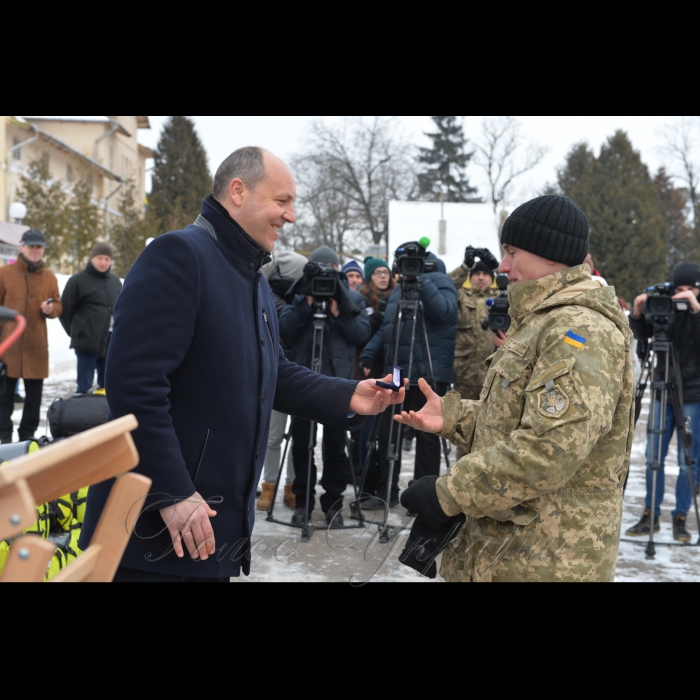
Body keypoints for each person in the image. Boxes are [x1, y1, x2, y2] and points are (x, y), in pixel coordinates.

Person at [79, 147, 405, 583]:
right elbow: (133, 385)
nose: (291, 216)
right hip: (150, 535)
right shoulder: (180, 255)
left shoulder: (249, 274)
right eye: (282, 200)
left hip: (207, 531)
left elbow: (273, 371)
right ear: (238, 191)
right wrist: (172, 490)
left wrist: (348, 394)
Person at [396, 195, 635, 582]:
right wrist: (456, 417)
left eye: (512, 252)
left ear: (551, 254)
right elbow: (520, 420)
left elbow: (549, 451)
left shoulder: (580, 331)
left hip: (548, 558)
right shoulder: (542, 320)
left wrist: (449, 494)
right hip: (510, 550)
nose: (503, 266)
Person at [360, 241, 458, 510]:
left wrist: (422, 281)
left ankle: (422, 496)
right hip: (398, 371)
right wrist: (369, 354)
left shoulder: (440, 281)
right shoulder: (400, 288)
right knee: (387, 432)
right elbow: (387, 328)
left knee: (427, 437)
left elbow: (445, 313)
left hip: (429, 373)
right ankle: (385, 491)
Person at [280, 246, 371, 527]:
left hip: (339, 384)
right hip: (304, 383)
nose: (325, 277)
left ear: (338, 271)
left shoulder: (352, 298)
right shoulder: (300, 296)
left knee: (335, 448)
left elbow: (362, 334)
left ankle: (333, 504)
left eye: (330, 270)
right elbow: (285, 330)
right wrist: (307, 303)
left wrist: (337, 311)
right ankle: (303, 502)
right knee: (301, 445)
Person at [625, 262, 700, 543]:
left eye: (689, 289)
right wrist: (638, 310)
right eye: (678, 289)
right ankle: (650, 515)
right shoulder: (663, 303)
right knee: (653, 458)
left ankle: (680, 518)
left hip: (693, 395)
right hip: (661, 390)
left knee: (687, 461)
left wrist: (694, 310)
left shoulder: (697, 308)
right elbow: (641, 335)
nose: (682, 294)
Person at [256, 249, 308, 511]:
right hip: (277, 374)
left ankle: (292, 486)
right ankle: (269, 485)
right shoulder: (268, 297)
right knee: (273, 436)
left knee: (298, 438)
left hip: (300, 373)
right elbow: (286, 327)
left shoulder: (306, 300)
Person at [0, 229, 62, 444]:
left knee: (33, 401)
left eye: (39, 247)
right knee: (3, 398)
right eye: (31, 246)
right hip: (8, 347)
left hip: (36, 348)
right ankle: (4, 438)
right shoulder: (4, 274)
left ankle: (27, 438)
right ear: (22, 247)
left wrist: (51, 309)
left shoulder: (49, 277)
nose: (35, 251)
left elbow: (58, 304)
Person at [59, 242, 123, 395]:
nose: (103, 262)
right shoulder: (77, 281)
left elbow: (121, 307)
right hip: (86, 342)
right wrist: (77, 332)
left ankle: (104, 415)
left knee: (106, 386)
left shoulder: (115, 282)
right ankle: (81, 414)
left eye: (107, 259)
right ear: (92, 258)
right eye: (100, 258)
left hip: (109, 341)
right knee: (84, 388)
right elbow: (65, 310)